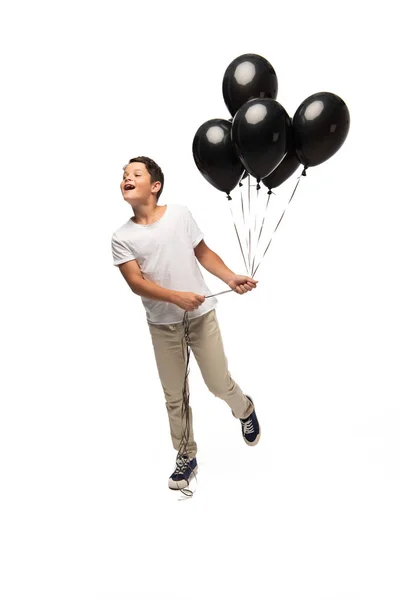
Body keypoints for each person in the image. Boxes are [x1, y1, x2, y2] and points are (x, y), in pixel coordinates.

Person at [111, 156, 260, 491]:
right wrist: (175, 297)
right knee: (174, 396)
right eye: (123, 176)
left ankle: (245, 408)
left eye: (136, 174)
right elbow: (137, 283)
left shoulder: (179, 215)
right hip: (163, 325)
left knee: (218, 383)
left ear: (155, 185)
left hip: (201, 316)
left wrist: (231, 277)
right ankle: (185, 454)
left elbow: (204, 254)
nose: (127, 178)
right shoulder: (121, 237)